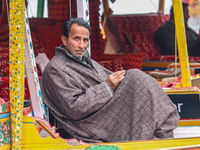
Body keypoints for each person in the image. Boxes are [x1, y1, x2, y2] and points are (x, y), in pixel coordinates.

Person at [40, 17, 180, 143]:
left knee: (137, 81)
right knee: (135, 79)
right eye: (76, 39)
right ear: (64, 40)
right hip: (91, 122)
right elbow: (75, 108)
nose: (82, 45)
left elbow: (105, 79)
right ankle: (156, 139)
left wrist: (117, 83)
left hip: (105, 107)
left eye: (85, 40)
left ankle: (158, 136)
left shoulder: (83, 59)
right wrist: (107, 86)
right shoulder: (55, 69)